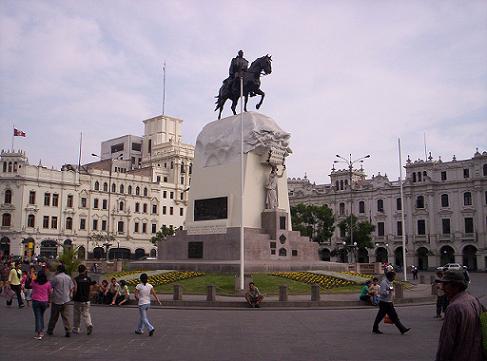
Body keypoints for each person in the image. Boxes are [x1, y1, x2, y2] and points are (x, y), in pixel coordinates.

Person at [435, 270, 484, 361]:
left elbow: (447, 343)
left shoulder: (454, 308)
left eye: (445, 284)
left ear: (456, 286)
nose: (442, 288)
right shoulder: (473, 300)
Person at [372, 270, 411, 335]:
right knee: (380, 316)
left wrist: (390, 290)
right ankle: (375, 328)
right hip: (384, 302)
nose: (394, 278)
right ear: (389, 277)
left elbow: (390, 289)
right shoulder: (384, 283)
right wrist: (389, 291)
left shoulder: (390, 282)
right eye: (393, 276)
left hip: (389, 302)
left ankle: (402, 329)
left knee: (393, 316)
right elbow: (382, 293)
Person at [46, 264, 74, 337]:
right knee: (66, 316)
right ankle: (68, 330)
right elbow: (71, 288)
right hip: (66, 300)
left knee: (54, 316)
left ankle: (50, 330)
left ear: (58, 270)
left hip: (57, 299)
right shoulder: (68, 277)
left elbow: (50, 286)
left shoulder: (56, 278)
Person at [72, 264, 96, 335]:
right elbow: (91, 289)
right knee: (86, 313)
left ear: (78, 271)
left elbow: (75, 290)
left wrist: (73, 296)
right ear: (85, 270)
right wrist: (89, 296)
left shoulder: (75, 279)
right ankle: (89, 324)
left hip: (78, 299)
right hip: (86, 299)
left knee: (77, 314)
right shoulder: (88, 279)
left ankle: (76, 328)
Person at [31, 270, 52, 340]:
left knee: (38, 316)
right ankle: (41, 329)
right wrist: (49, 301)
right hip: (44, 301)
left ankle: (39, 333)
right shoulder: (48, 283)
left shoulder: (34, 282)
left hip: (36, 301)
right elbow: (50, 293)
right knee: (41, 315)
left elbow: (32, 287)